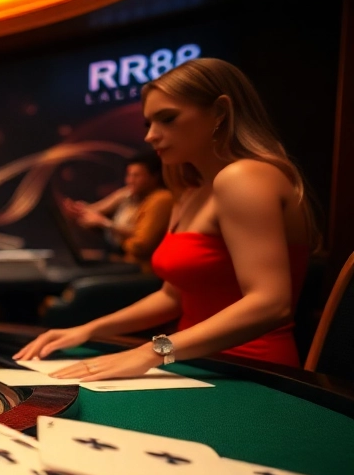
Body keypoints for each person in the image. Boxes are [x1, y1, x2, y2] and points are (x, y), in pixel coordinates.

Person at [17, 58, 317, 377]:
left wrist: (152, 351)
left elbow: (271, 303)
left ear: (220, 112)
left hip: (253, 372)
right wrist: (88, 329)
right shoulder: (190, 191)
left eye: (167, 119)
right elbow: (172, 296)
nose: (150, 136)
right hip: (192, 363)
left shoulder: (244, 177)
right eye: (148, 124)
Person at [60, 152, 174, 267]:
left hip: (139, 267)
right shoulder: (129, 193)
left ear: (154, 177)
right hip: (122, 259)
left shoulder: (160, 199)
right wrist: (79, 209)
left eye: (136, 176)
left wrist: (105, 224)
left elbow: (141, 245)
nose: (130, 180)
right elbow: (96, 209)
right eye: (129, 175)